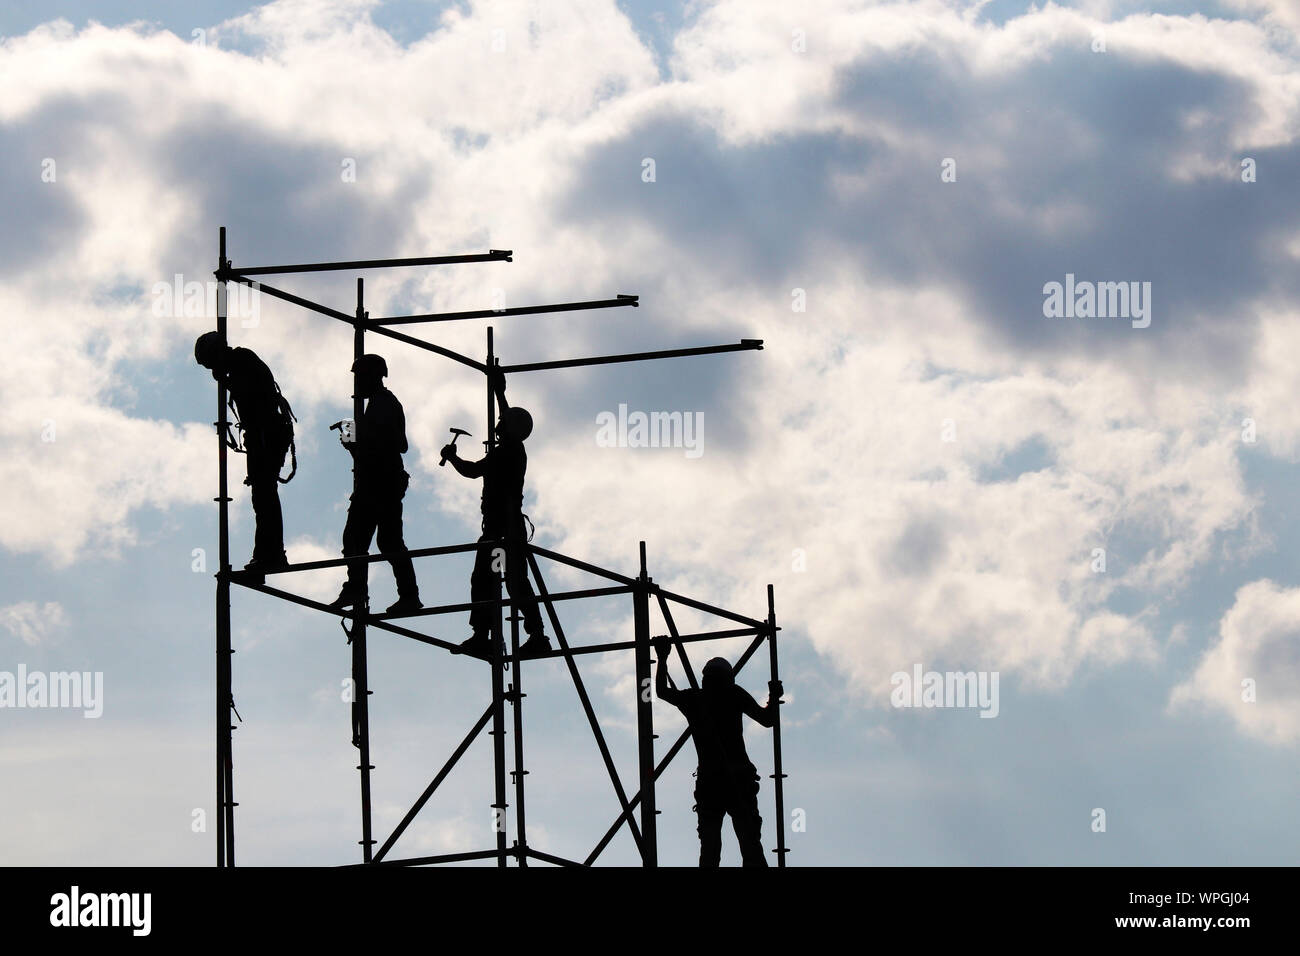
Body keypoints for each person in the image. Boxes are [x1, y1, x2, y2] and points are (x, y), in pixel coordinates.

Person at [441, 368, 549, 659]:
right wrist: (499, 391)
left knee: (490, 579)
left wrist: (452, 458)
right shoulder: (514, 449)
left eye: (502, 423)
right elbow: (508, 416)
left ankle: (484, 635)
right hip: (506, 527)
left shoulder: (505, 453)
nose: (498, 424)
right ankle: (532, 634)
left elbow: (473, 470)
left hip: (503, 529)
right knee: (510, 581)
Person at [654, 639, 782, 867]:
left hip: (712, 782)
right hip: (736, 780)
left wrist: (662, 657)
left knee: (711, 850)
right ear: (728, 678)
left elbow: (662, 691)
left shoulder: (694, 699)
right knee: (749, 844)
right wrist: (774, 697)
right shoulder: (732, 694)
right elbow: (768, 720)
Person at [194, 331, 296, 580]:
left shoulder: (242, 359)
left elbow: (252, 392)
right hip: (263, 434)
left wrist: (226, 379)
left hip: (266, 434)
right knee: (263, 496)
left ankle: (269, 555)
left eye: (210, 363)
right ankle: (268, 554)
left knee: (264, 495)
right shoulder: (239, 363)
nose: (212, 369)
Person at [329, 354, 422, 615]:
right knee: (387, 542)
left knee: (357, 539)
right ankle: (407, 595)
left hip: (379, 483)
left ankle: (360, 588)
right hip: (383, 481)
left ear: (371, 376)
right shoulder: (381, 404)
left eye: (360, 377)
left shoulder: (383, 404)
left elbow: (390, 446)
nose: (357, 383)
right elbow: (376, 449)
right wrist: (354, 442)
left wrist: (356, 440)